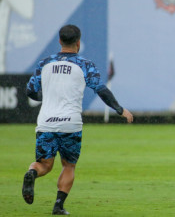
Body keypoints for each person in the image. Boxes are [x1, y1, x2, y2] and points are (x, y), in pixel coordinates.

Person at [22, 24, 133, 215]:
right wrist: (119, 109)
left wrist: (46, 97)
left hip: (46, 122)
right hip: (70, 124)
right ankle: (58, 205)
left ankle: (32, 173)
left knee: (44, 165)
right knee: (68, 165)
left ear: (59, 41)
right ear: (78, 42)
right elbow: (101, 90)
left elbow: (31, 91)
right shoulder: (85, 65)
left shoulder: (45, 63)